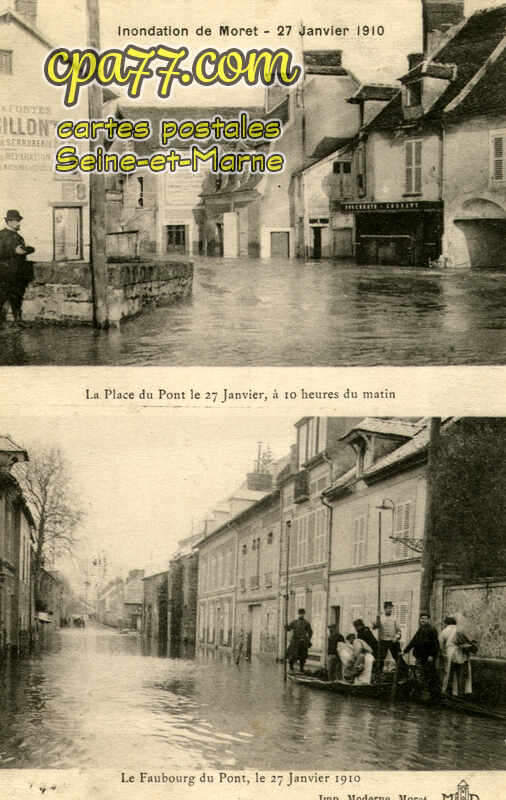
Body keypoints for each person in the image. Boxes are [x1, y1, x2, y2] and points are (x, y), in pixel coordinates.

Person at [0, 209, 35, 326]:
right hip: (4, 273)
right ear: (9, 222)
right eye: (16, 221)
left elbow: (21, 251)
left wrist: (27, 250)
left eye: (19, 221)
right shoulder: (2, 235)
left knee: (17, 296)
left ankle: (18, 320)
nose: (19, 223)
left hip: (17, 273)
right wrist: (13, 251)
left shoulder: (19, 237)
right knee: (2, 296)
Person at [403, 611, 441, 701]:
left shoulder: (432, 629)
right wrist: (405, 651)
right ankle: (424, 694)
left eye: (425, 619)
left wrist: (432, 655)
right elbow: (414, 641)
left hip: (428, 657)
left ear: (428, 620)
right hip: (420, 656)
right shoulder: (420, 629)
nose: (423, 620)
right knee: (421, 675)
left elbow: (436, 644)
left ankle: (432, 695)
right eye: (422, 619)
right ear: (420, 620)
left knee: (429, 675)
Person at [439, 614, 474, 697]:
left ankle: (446, 691)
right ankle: (459, 692)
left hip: (450, 654)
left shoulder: (445, 631)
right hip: (461, 654)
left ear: (446, 623)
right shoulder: (460, 630)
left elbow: (440, 643)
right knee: (460, 674)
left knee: (448, 673)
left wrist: (442, 652)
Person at [374, 600, 402, 676]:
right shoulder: (380, 618)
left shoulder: (395, 618)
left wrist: (397, 637)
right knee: (380, 658)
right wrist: (376, 621)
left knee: (398, 658)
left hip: (393, 641)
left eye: (391, 608)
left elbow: (399, 631)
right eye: (388, 608)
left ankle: (403, 673)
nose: (390, 610)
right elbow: (375, 627)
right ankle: (378, 675)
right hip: (383, 641)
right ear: (385, 609)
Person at [285, 608, 312, 673]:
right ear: (298, 614)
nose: (301, 615)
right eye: (300, 614)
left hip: (302, 642)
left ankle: (301, 669)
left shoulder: (306, 623)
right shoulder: (294, 622)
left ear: (304, 614)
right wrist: (286, 626)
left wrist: (307, 639)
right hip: (295, 642)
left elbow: (310, 632)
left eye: (302, 614)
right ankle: (291, 668)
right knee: (292, 655)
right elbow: (288, 629)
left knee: (302, 656)